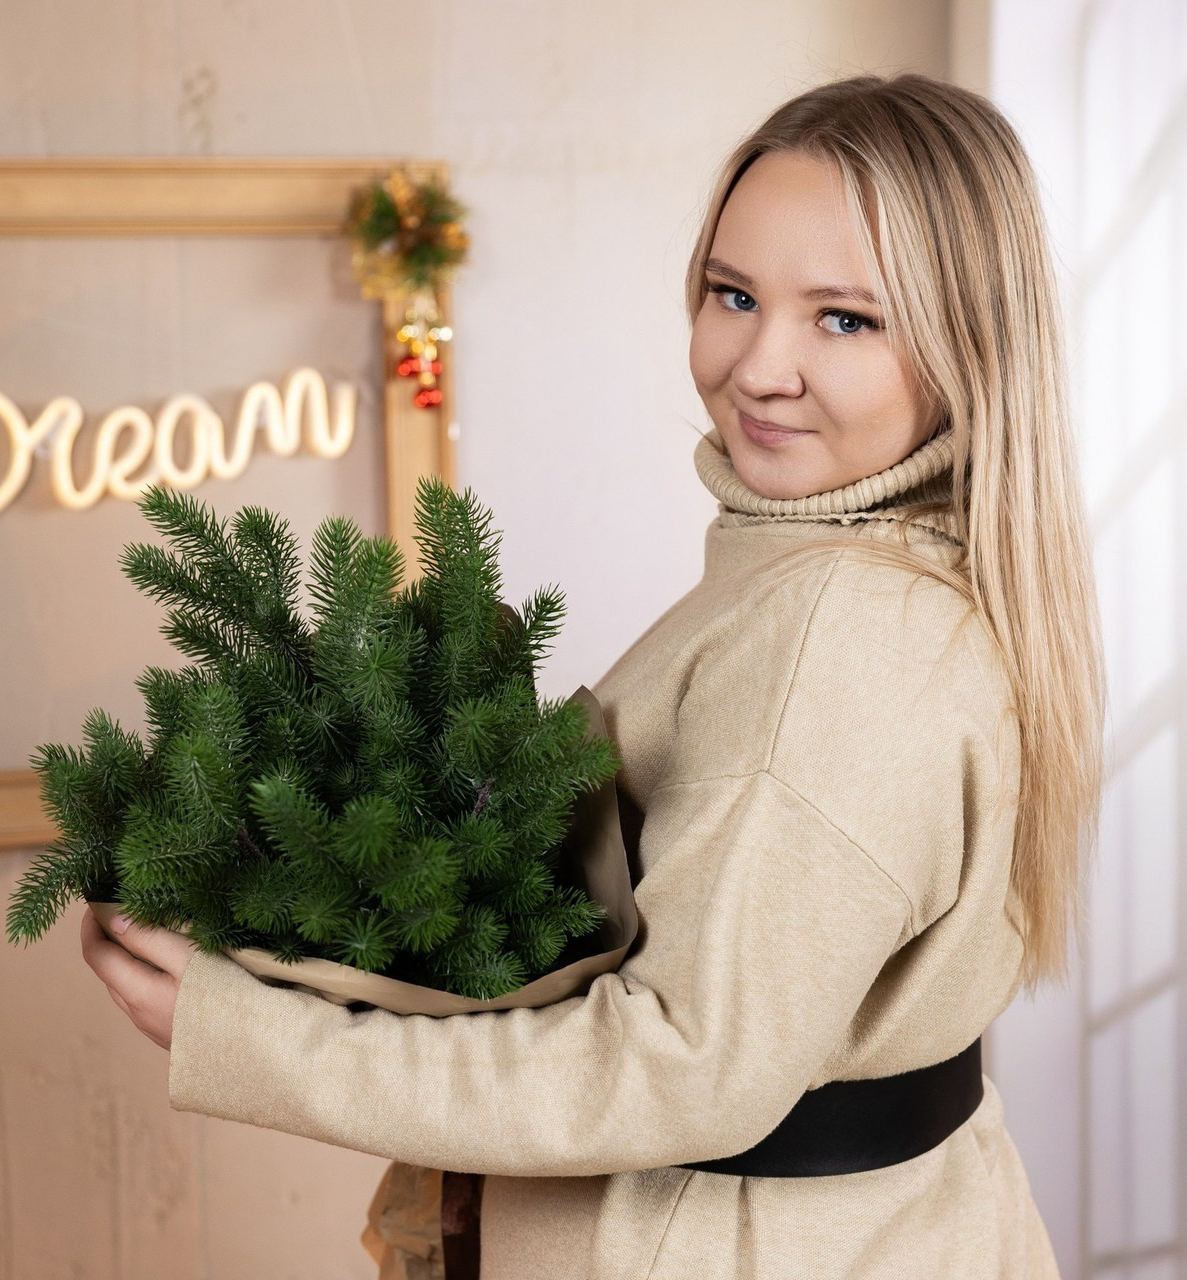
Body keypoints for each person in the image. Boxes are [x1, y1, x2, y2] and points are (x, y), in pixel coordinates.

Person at [81, 71, 1106, 1279]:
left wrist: (252, 1032)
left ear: (968, 347)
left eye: (844, 318)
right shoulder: (849, 576)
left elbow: (675, 1065)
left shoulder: (848, 632)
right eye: (733, 295)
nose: (756, 364)